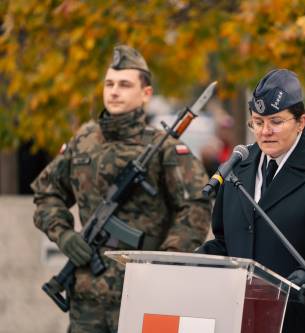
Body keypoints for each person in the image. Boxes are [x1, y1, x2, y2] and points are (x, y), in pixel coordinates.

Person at [31, 45, 211, 333]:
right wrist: (63, 235)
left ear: (146, 94)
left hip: (145, 295)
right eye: (109, 84)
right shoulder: (83, 140)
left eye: (125, 85)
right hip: (87, 300)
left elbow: (196, 206)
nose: (114, 92)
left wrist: (164, 261)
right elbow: (46, 194)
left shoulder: (163, 148)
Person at [197, 69, 305, 333]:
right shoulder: (237, 167)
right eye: (257, 122)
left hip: (303, 319)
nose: (265, 131)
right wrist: (191, 261)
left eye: (276, 121)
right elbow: (226, 243)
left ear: (301, 121)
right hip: (244, 320)